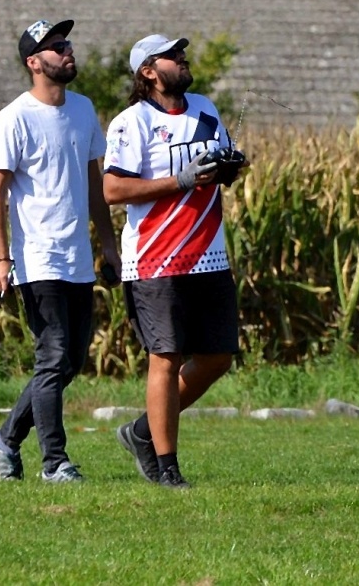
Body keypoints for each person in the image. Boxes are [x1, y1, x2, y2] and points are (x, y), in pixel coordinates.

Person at [102, 33, 247, 489]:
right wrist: (179, 180)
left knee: (218, 357)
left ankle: (143, 431)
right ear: (148, 71)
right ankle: (167, 467)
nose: (182, 60)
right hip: (155, 261)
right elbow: (113, 190)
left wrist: (228, 167)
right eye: (172, 56)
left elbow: (215, 171)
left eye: (181, 54)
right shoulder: (131, 122)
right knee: (165, 357)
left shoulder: (205, 107)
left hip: (210, 256)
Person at [0, 18, 118, 484]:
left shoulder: (83, 110)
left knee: (70, 361)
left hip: (78, 258)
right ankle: (55, 462)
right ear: (34, 62)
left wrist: (108, 244)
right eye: (57, 46)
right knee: (53, 356)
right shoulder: (13, 118)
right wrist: (2, 258)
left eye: (68, 43)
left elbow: (95, 186)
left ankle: (4, 440)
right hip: (38, 259)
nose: (67, 51)